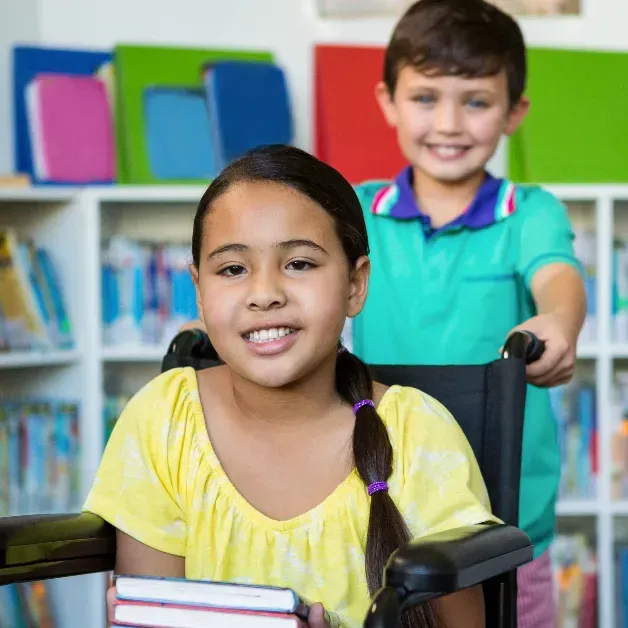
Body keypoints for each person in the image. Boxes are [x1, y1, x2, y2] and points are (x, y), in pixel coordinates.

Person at [84, 145, 500, 628]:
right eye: (233, 269)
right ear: (198, 289)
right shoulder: (164, 418)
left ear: (354, 284)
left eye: (300, 264)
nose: (265, 295)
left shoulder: (416, 430)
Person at [348, 1, 587, 626]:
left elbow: (558, 276)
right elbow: (291, 271)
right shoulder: (357, 208)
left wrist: (559, 321)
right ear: (388, 100)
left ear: (514, 113)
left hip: (507, 514)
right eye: (426, 98)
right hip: (382, 499)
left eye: (476, 102)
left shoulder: (528, 210)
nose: (449, 123)